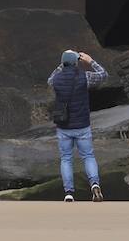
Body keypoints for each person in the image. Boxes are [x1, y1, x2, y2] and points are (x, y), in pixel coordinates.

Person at [48, 48, 106, 202]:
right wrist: (90, 61)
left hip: (64, 127)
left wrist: (62, 64)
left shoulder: (56, 79)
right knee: (88, 156)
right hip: (82, 126)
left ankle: (68, 193)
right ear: (76, 62)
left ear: (63, 63)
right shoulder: (84, 77)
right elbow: (103, 75)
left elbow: (50, 79)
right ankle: (94, 184)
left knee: (66, 158)